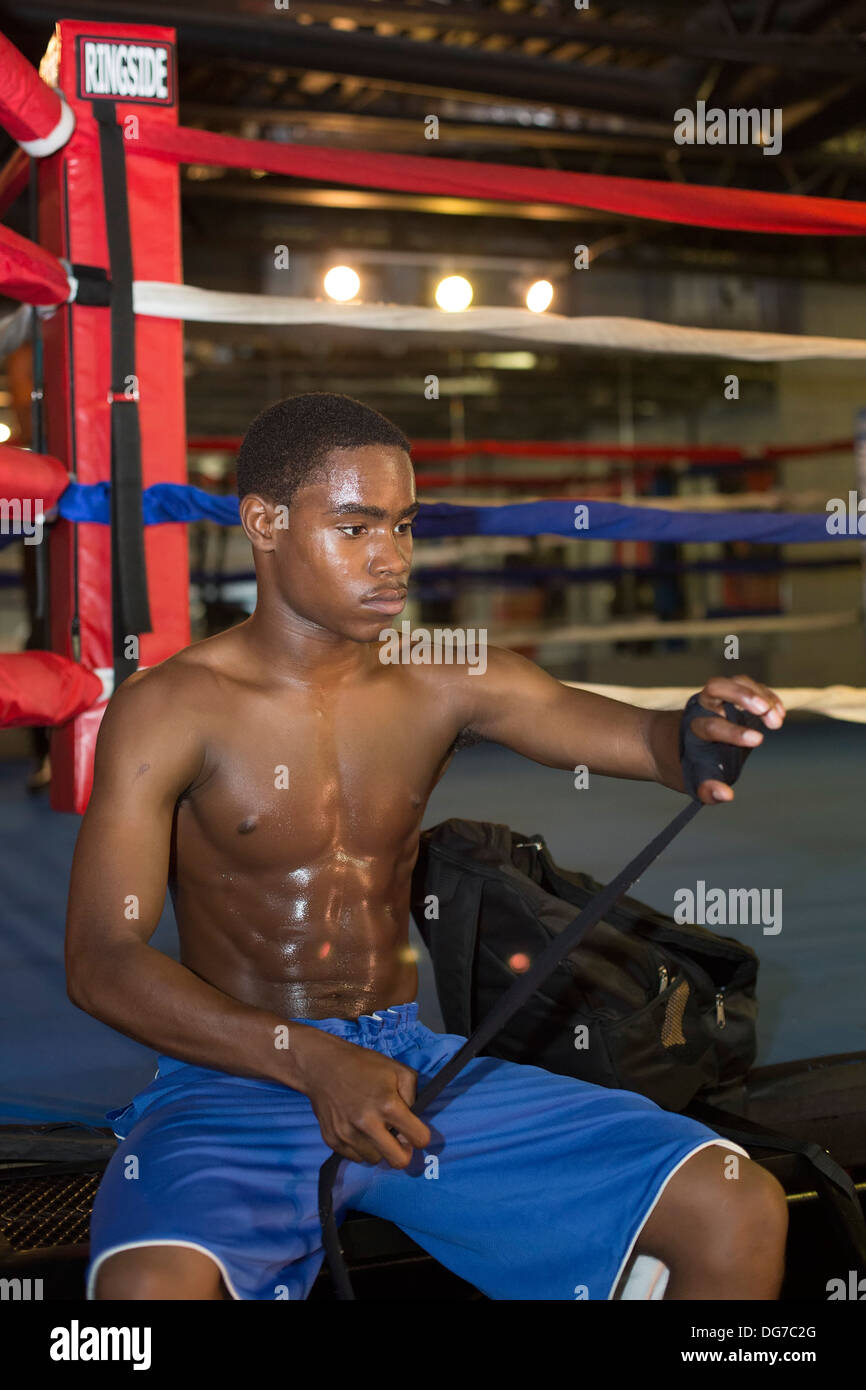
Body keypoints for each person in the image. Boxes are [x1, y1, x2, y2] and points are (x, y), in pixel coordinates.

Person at [67, 392, 788, 1302]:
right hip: (234, 1081)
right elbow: (100, 959)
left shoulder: (443, 676)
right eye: (357, 527)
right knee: (141, 1301)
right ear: (263, 523)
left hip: (413, 1074)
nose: (393, 560)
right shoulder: (169, 708)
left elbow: (645, 741)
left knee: (739, 1208)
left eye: (404, 526)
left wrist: (699, 734)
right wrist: (309, 1058)